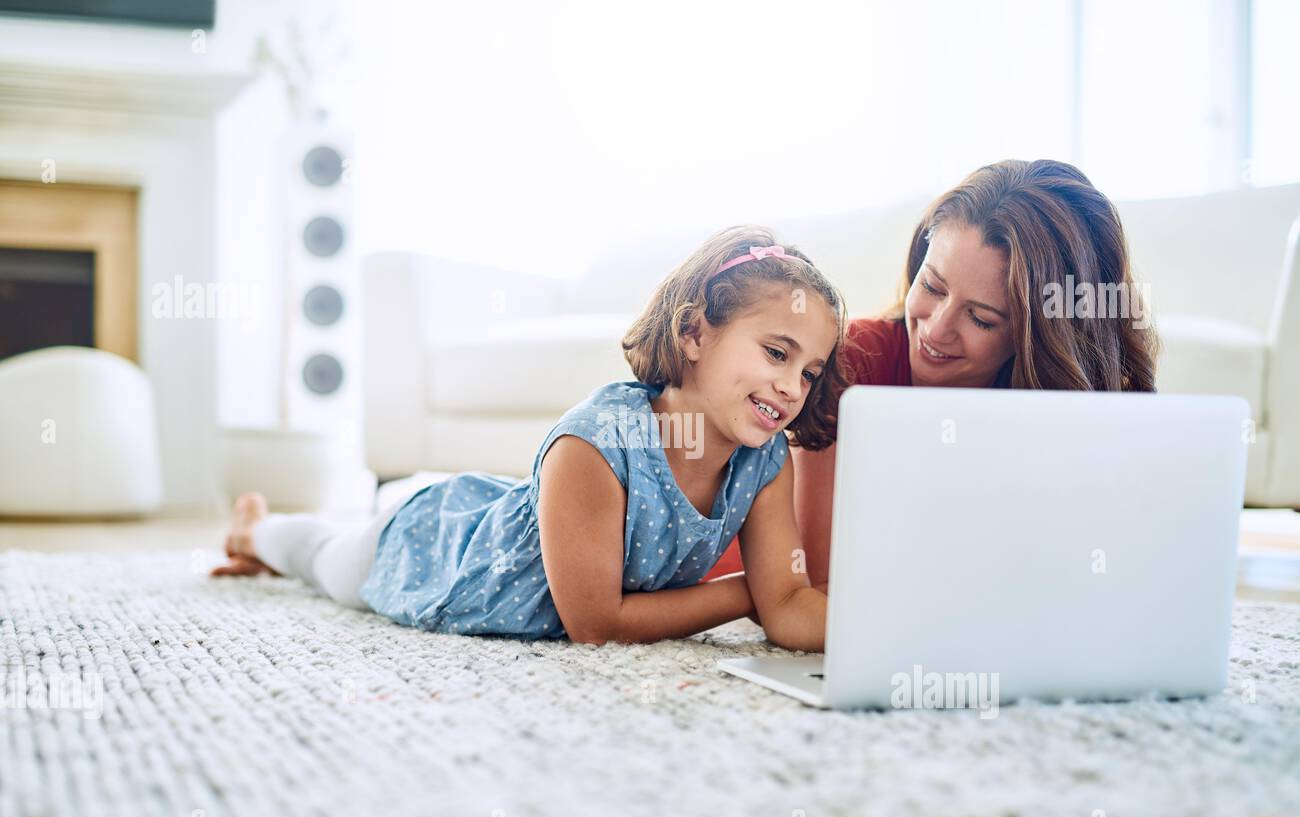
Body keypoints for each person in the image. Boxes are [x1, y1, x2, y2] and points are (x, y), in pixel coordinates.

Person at [212, 225, 851, 651]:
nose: (793, 386)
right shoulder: (596, 445)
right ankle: (256, 532)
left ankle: (267, 534)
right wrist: (752, 592)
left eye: (810, 371)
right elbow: (596, 625)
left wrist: (881, 627)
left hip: (517, 522)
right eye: (775, 352)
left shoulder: (764, 458)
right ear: (694, 335)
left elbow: (790, 608)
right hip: (436, 553)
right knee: (325, 555)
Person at [701, 159, 1161, 588]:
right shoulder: (854, 361)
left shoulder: (1073, 409)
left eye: (982, 318)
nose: (936, 329)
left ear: (1040, 336)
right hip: (742, 589)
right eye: (932, 286)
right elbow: (824, 582)